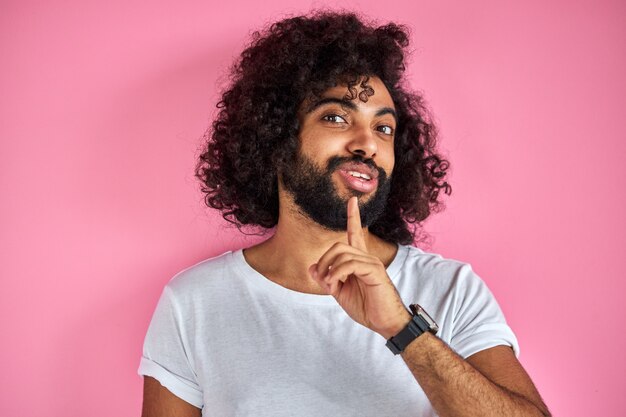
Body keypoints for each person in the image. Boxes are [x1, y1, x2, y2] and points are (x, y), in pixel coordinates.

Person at [138, 11, 550, 417]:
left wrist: (403, 329)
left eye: (384, 128)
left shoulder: (450, 289)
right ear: (277, 139)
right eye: (336, 117)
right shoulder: (194, 302)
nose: (367, 143)